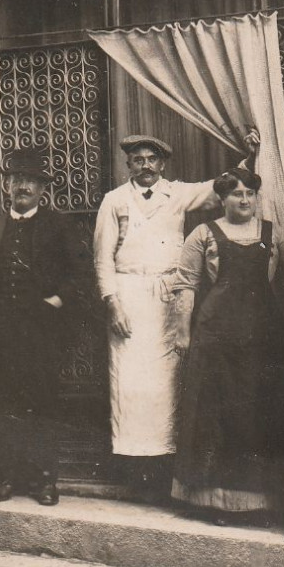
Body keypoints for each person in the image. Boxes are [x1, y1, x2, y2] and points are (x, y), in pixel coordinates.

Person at [169, 167, 284, 526]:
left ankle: (260, 503)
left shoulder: (273, 234)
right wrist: (183, 332)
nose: (244, 200)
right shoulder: (203, 234)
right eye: (235, 194)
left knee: (257, 415)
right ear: (222, 199)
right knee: (216, 416)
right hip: (216, 339)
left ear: (257, 198)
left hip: (263, 341)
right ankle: (215, 503)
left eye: (249, 194)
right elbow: (185, 285)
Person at [93, 134, 227, 496]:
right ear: (129, 165)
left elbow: (221, 189)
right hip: (129, 296)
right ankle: (134, 473)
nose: (146, 166)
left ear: (163, 164)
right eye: (138, 160)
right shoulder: (115, 201)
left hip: (168, 298)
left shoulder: (177, 194)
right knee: (130, 385)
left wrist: (253, 157)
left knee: (167, 384)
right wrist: (113, 303)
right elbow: (102, 257)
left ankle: (164, 470)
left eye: (152, 159)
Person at [0, 147, 93, 506]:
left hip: (42, 333)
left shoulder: (59, 225)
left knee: (43, 404)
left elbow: (80, 273)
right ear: (7, 186)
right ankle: (6, 478)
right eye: (16, 180)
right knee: (3, 404)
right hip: (1, 334)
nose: (22, 187)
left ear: (41, 189)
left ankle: (46, 481)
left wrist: (56, 302)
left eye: (30, 181)